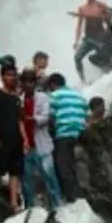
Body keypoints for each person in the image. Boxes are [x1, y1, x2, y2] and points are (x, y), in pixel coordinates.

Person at [20, 70, 63, 211]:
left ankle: (58, 206)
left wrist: (29, 119)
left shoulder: (43, 97)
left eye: (31, 82)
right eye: (25, 82)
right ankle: (30, 209)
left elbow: (45, 118)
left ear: (35, 83)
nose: (28, 85)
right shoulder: (19, 100)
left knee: (49, 175)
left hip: (43, 144)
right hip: (26, 145)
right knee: (27, 181)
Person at [47, 73, 88, 204]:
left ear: (53, 85)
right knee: (78, 166)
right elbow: (86, 114)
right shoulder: (79, 95)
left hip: (64, 134)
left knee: (64, 167)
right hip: (81, 135)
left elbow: (50, 118)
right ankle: (83, 196)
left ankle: (74, 200)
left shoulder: (54, 96)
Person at [0, 65, 25, 209]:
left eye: (14, 75)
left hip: (16, 138)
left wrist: (25, 140)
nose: (12, 78)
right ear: (2, 76)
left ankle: (13, 203)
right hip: (0, 138)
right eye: (9, 75)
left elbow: (20, 120)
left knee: (15, 171)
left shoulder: (16, 98)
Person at [72, 0, 112, 80]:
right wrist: (76, 41)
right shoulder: (82, 8)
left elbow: (110, 20)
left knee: (104, 58)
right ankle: (83, 80)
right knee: (77, 57)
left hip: (100, 38)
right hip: (88, 38)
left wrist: (109, 36)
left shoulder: (101, 6)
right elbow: (79, 26)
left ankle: (106, 74)